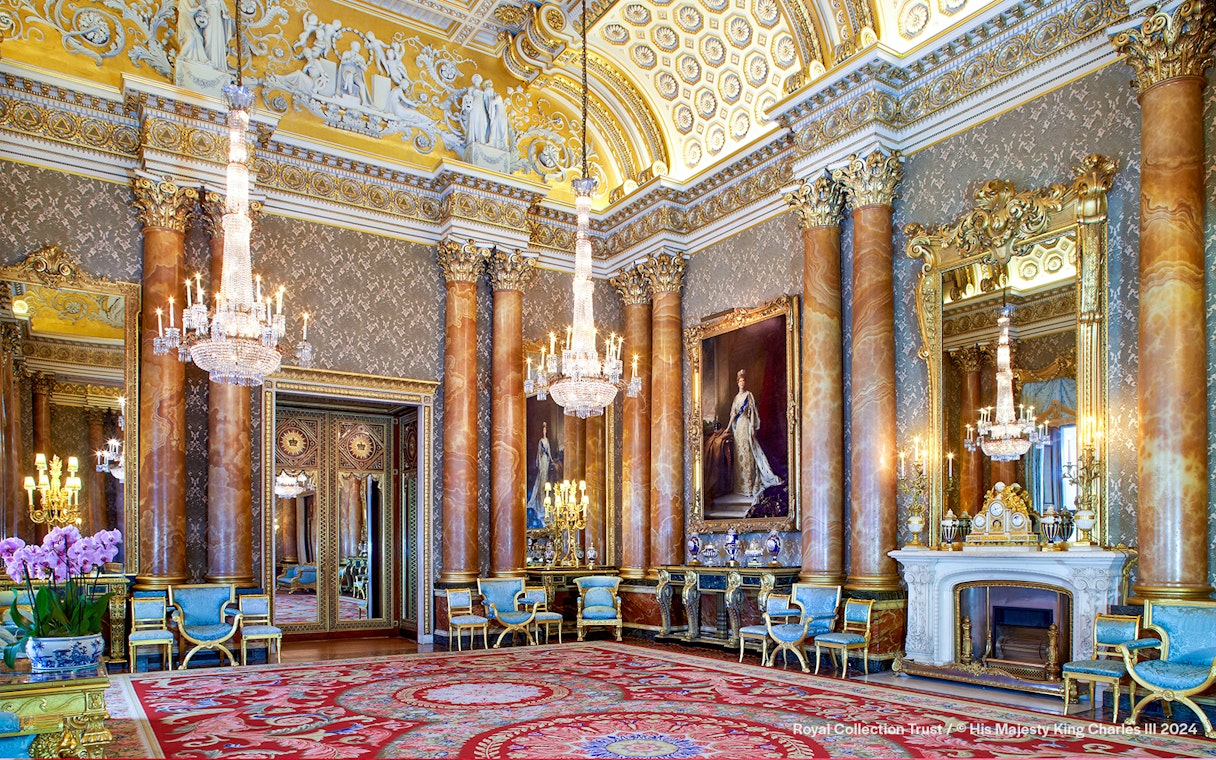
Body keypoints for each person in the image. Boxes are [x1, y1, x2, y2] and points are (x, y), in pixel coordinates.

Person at [729, 369, 782, 503]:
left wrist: (752, 426)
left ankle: (750, 485)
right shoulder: (736, 398)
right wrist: (729, 428)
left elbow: (752, 412)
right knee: (739, 455)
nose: (742, 383)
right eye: (740, 381)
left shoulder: (749, 395)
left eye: (743, 381)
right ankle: (741, 486)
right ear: (737, 383)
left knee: (748, 455)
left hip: (746, 425)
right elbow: (733, 415)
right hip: (738, 429)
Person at [525, 421, 553, 529]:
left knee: (545, 477)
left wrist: (551, 459)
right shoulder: (541, 441)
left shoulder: (547, 441)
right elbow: (539, 452)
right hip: (542, 459)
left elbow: (549, 451)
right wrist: (539, 461)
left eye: (546, 430)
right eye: (543, 430)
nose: (544, 431)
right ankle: (541, 497)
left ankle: (545, 495)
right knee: (542, 477)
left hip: (546, 459)